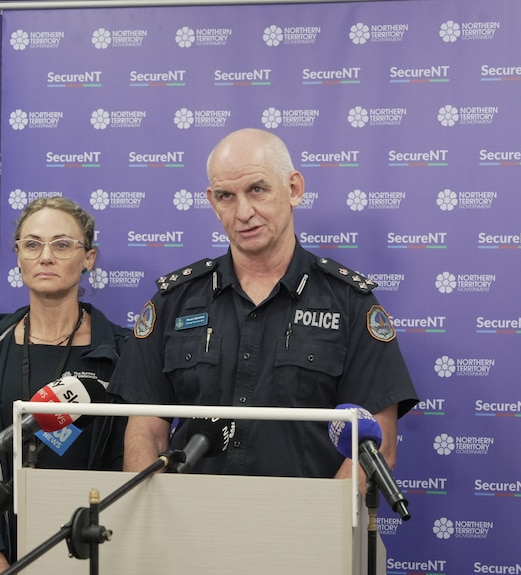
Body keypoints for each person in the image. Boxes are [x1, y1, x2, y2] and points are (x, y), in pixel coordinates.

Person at [109, 128, 418, 484]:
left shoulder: (349, 302)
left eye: (257, 189)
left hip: (306, 526)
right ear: (212, 202)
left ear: (294, 189)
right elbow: (145, 427)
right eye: (226, 196)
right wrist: (152, 521)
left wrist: (323, 528)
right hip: (189, 525)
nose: (243, 212)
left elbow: (377, 441)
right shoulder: (174, 300)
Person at [0, 197, 129, 575]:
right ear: (18, 256)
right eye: (32, 244)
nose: (45, 256)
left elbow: (128, 467)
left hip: (92, 552)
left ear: (89, 258)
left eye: (62, 244)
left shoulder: (125, 353)